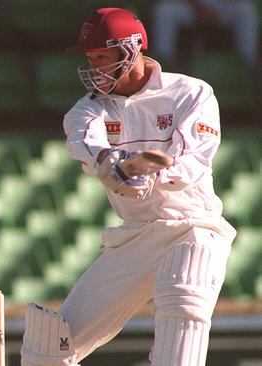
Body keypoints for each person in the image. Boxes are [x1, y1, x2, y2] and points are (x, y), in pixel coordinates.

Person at [20, 8, 237, 366]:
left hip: (193, 227)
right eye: (90, 58)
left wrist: (151, 175)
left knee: (182, 306)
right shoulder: (86, 110)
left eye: (101, 57)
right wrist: (110, 164)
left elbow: (194, 159)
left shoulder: (191, 93)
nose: (93, 67)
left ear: (131, 50)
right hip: (136, 234)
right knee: (49, 346)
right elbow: (86, 144)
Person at [151, 0, 259, 70]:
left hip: (223, 5)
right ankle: (162, 66)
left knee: (246, 11)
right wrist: (200, 8)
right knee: (165, 10)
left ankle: (247, 68)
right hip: (193, 4)